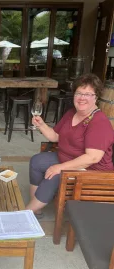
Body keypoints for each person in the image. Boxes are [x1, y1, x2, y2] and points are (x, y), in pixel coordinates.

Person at [26, 73, 114, 217]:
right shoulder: (72, 113)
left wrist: (59, 167)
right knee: (37, 161)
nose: (82, 98)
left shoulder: (99, 122)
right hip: (68, 158)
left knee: (53, 174)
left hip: (93, 171)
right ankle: (37, 208)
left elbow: (92, 158)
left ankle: (25, 213)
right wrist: (41, 125)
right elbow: (55, 136)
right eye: (79, 93)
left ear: (96, 97)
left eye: (88, 94)